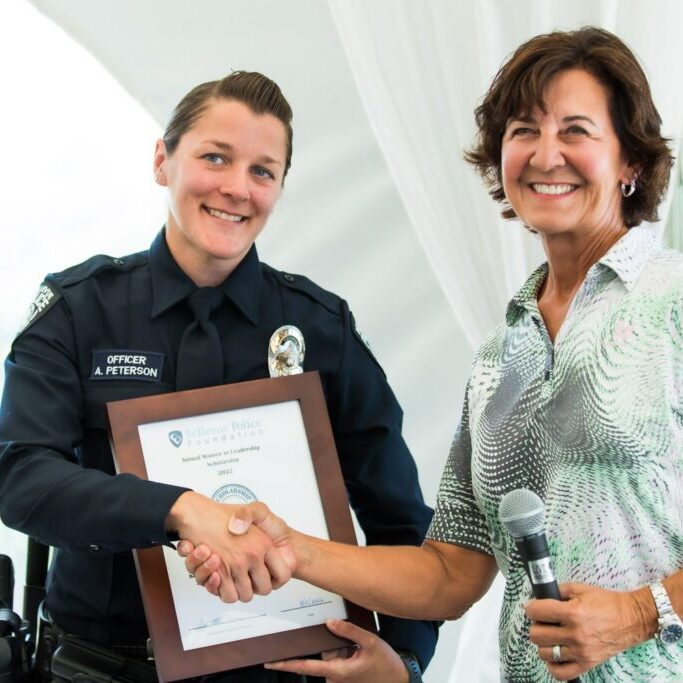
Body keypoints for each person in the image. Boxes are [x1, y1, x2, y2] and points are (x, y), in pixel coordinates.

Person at [184, 28, 683, 682]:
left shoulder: (671, 299)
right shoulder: (499, 354)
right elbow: (450, 570)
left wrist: (637, 613)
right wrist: (288, 547)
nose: (545, 153)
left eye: (576, 131)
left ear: (630, 164)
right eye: (523, 129)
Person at [0, 71, 438, 682]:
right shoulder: (79, 310)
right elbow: (21, 477)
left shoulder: (320, 329)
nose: (236, 188)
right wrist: (178, 509)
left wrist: (407, 660)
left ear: (280, 187)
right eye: (215, 157)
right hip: (100, 669)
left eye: (263, 171)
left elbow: (405, 527)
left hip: (277, 672)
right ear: (163, 160)